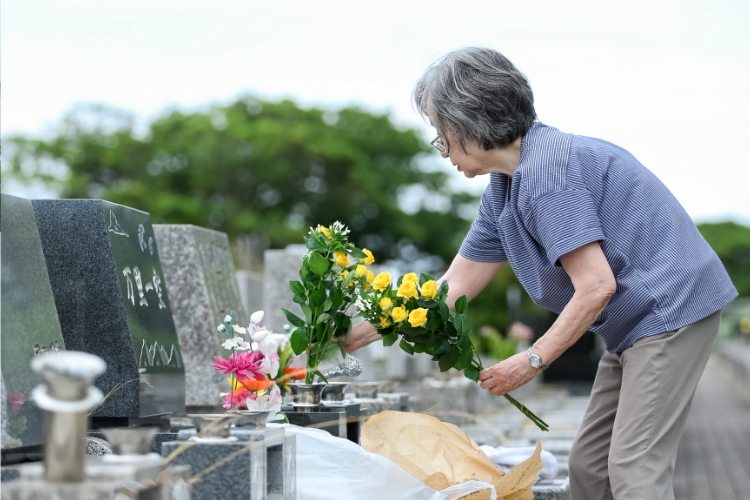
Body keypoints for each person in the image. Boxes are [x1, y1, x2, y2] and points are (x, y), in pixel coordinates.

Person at [344, 47, 738, 500]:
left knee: (634, 469)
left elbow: (596, 285)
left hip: (670, 310)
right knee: (588, 467)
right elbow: (452, 288)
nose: (441, 148)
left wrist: (530, 361)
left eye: (440, 133)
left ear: (468, 122)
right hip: (632, 325)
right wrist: (359, 332)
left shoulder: (548, 176)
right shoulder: (505, 188)